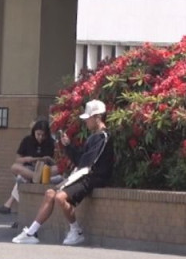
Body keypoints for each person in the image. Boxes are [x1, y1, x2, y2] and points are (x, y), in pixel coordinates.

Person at [12, 99, 114, 245]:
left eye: (88, 118)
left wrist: (73, 170)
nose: (86, 122)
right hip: (81, 174)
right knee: (50, 194)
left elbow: (87, 163)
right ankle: (31, 232)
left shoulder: (103, 137)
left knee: (60, 198)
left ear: (97, 117)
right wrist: (68, 146)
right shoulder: (93, 137)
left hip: (92, 177)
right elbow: (81, 160)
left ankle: (76, 231)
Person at [0, 119, 58, 215]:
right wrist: (29, 159)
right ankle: (35, 177)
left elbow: (56, 163)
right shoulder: (27, 140)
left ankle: (8, 204)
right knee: (15, 167)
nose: (40, 137)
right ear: (34, 132)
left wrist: (48, 159)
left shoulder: (51, 142)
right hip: (29, 169)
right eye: (38, 134)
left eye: (43, 135)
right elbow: (18, 160)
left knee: (21, 179)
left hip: (45, 170)